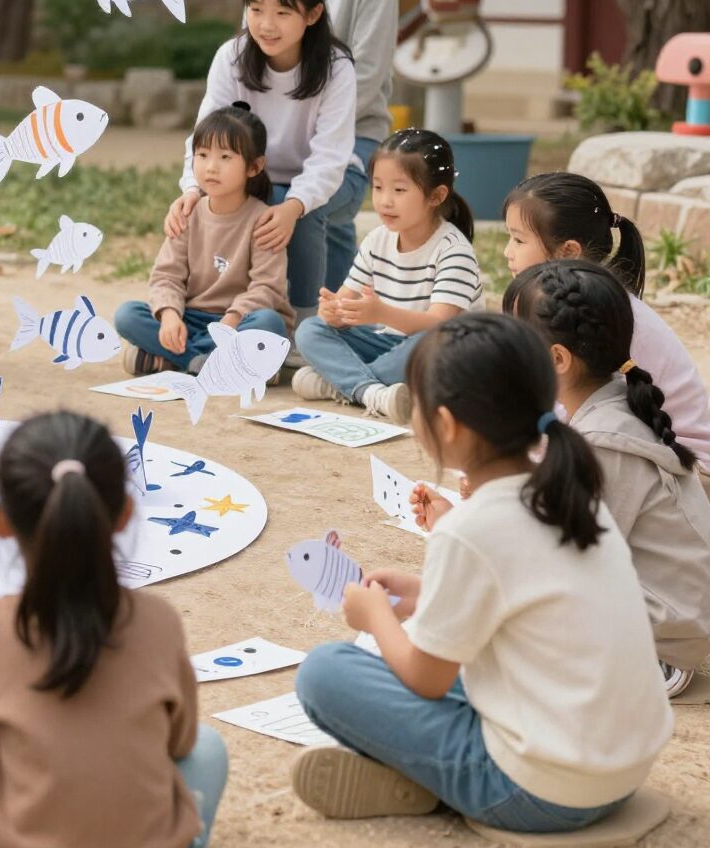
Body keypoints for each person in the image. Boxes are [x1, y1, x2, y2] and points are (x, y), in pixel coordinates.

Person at [292, 313, 673, 831]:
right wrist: (428, 596)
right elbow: (535, 606)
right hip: (625, 765)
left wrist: (376, 617)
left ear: (446, 425)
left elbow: (427, 679)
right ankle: (427, 780)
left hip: (545, 790)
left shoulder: (470, 528)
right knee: (450, 662)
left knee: (325, 673)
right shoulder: (570, 493)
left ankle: (433, 784)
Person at [0, 410, 227, 848]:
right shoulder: (160, 621)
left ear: (1, 521)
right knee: (210, 748)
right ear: (124, 514)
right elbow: (183, 743)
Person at [504, 259, 710, 695]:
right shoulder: (613, 401)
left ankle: (651, 664)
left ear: (557, 359)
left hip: (668, 633)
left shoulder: (602, 440)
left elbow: (571, 556)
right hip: (666, 607)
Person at [165, 0, 355, 311]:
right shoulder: (232, 58)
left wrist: (294, 205)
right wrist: (192, 188)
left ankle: (301, 321)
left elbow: (331, 157)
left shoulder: (336, 68)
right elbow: (206, 135)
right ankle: (215, 309)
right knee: (210, 203)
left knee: (299, 211)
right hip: (254, 175)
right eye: (256, 10)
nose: (267, 25)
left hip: (334, 180)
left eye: (282, 13)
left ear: (312, 14)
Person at [261, 0, 399, 289]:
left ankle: (306, 326)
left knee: (309, 205)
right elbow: (252, 53)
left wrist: (310, 124)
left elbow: (370, 70)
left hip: (354, 134)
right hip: (281, 134)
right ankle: (338, 322)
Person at [505, 171, 710, 469]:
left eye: (518, 240)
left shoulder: (599, 314)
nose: (507, 252)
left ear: (569, 251)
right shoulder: (571, 302)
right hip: (635, 453)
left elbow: (568, 412)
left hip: (684, 473)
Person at [293, 128, 481, 423]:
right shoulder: (377, 239)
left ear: (436, 196)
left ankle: (338, 383)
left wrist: (380, 312)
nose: (384, 201)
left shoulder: (452, 250)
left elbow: (440, 324)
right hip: (386, 345)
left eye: (399, 190)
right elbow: (345, 301)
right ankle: (372, 391)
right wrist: (332, 312)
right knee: (310, 330)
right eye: (378, 188)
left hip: (439, 350)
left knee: (435, 342)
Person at [114, 103, 291, 375]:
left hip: (239, 321)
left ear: (254, 167)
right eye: (203, 154)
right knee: (127, 315)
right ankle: (214, 364)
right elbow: (166, 276)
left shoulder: (264, 220)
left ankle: (174, 360)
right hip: (193, 318)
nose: (211, 167)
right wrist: (170, 316)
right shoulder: (188, 213)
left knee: (269, 323)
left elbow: (267, 288)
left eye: (225, 157)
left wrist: (231, 321)